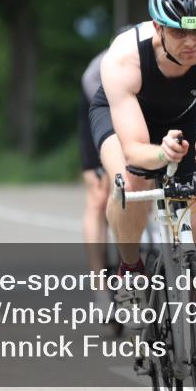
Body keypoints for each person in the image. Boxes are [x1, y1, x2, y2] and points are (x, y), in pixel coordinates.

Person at [90, 0, 196, 391]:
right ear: (157, 27)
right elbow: (137, 150)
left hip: (187, 117)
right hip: (127, 124)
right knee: (132, 181)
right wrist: (163, 155)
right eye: (179, 31)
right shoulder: (123, 58)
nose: (191, 41)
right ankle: (130, 267)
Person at [79, 47, 111, 308]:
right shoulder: (95, 73)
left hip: (141, 112)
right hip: (98, 115)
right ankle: (99, 285)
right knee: (98, 197)